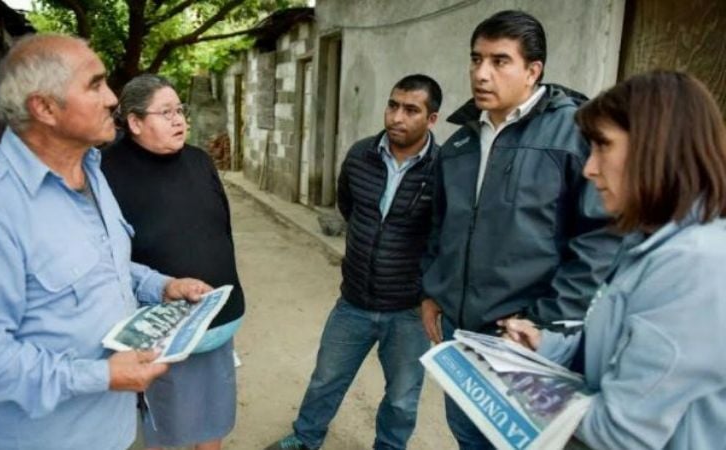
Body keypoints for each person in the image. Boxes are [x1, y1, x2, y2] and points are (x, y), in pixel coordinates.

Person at [0, 34, 211, 450]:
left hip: (112, 428)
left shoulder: (92, 172)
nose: (113, 98)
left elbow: (97, 263)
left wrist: (159, 285)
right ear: (44, 107)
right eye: (94, 85)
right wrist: (102, 376)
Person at [419, 10, 620, 449]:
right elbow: (441, 223)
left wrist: (544, 323)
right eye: (476, 59)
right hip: (461, 331)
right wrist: (434, 290)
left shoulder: (572, 135)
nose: (481, 73)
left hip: (525, 340)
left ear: (533, 71)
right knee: (468, 433)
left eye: (499, 61)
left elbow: (599, 240)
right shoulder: (462, 140)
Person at [500, 70, 726, 450]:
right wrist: (544, 346)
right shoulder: (645, 239)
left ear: (657, 148)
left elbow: (619, 433)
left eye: (603, 146)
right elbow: (615, 353)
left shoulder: (696, 265)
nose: (589, 168)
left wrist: (525, 385)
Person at [266, 74, 442, 450]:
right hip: (354, 301)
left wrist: (428, 292)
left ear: (432, 120)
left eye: (411, 110)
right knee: (326, 378)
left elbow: (445, 237)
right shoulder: (361, 155)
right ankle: (304, 438)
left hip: (408, 310)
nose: (397, 117)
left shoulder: (443, 170)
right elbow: (348, 207)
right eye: (393, 105)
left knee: (402, 398)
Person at [102, 74, 245, 450]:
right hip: (161, 323)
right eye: (165, 113)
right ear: (134, 122)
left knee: (213, 410)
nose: (179, 120)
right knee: (168, 417)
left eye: (180, 110)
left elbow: (221, 226)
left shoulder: (199, 160)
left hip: (217, 317)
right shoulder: (106, 171)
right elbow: (109, 253)